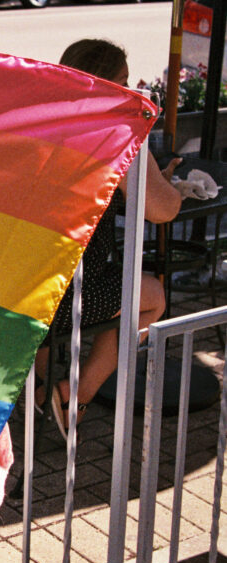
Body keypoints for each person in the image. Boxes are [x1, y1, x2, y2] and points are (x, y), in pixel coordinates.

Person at [34, 38, 183, 440]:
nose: (132, 91)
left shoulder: (40, 121)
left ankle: (40, 387)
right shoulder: (114, 132)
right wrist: (166, 183)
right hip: (66, 296)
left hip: (21, 285)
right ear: (109, 85)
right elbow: (163, 210)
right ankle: (74, 396)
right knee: (151, 297)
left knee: (75, 286)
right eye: (126, 82)